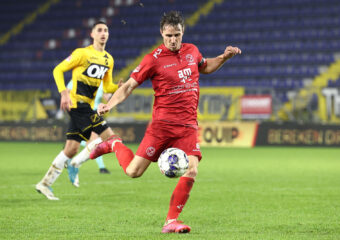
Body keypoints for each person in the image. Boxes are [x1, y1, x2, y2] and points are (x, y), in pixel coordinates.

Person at [90, 11, 241, 233]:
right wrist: (109, 105)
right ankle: (114, 143)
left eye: (177, 35)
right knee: (133, 172)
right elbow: (129, 85)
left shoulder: (192, 51)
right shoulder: (153, 59)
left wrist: (224, 58)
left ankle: (171, 221)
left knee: (192, 169)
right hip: (161, 127)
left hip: (188, 126)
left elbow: (205, 66)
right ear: (162, 33)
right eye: (169, 35)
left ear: (182, 32)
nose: (173, 40)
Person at [36, 21, 119, 200]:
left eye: (106, 30)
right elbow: (58, 70)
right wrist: (64, 94)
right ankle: (76, 164)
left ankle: (45, 184)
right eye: (99, 30)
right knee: (110, 138)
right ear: (92, 34)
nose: (103, 33)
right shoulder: (82, 53)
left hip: (86, 106)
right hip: (76, 104)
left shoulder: (109, 59)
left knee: (71, 148)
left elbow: (107, 86)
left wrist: (120, 86)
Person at [66, 80, 111, 180]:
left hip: (94, 113)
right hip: (82, 112)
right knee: (96, 141)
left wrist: (109, 98)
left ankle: (69, 152)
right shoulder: (77, 78)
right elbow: (67, 92)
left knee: (93, 141)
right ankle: (101, 167)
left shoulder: (101, 82)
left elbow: (106, 96)